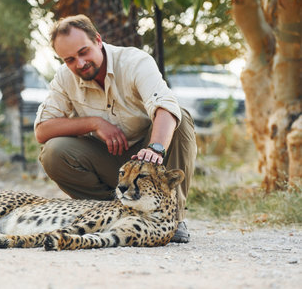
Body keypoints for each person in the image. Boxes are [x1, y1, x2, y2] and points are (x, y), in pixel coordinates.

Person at [34, 14, 197, 243]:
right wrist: (94, 123)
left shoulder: (134, 62)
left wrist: (156, 149)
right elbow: (42, 130)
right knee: (53, 152)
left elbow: (166, 107)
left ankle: (172, 218)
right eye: (69, 59)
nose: (79, 64)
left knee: (181, 119)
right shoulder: (64, 78)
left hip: (148, 159)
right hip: (107, 159)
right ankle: (111, 214)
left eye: (84, 52)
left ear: (98, 41)